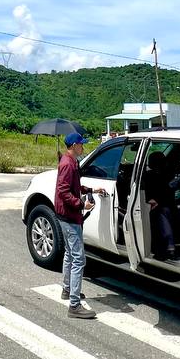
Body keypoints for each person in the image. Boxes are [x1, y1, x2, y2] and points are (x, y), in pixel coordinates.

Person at [54, 133, 106, 318]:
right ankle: (74, 305)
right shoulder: (68, 163)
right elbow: (63, 191)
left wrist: (91, 190)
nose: (83, 147)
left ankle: (67, 290)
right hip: (69, 216)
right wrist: (81, 204)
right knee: (78, 259)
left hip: (65, 215)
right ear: (74, 145)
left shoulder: (71, 161)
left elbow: (74, 187)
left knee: (69, 253)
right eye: (82, 145)